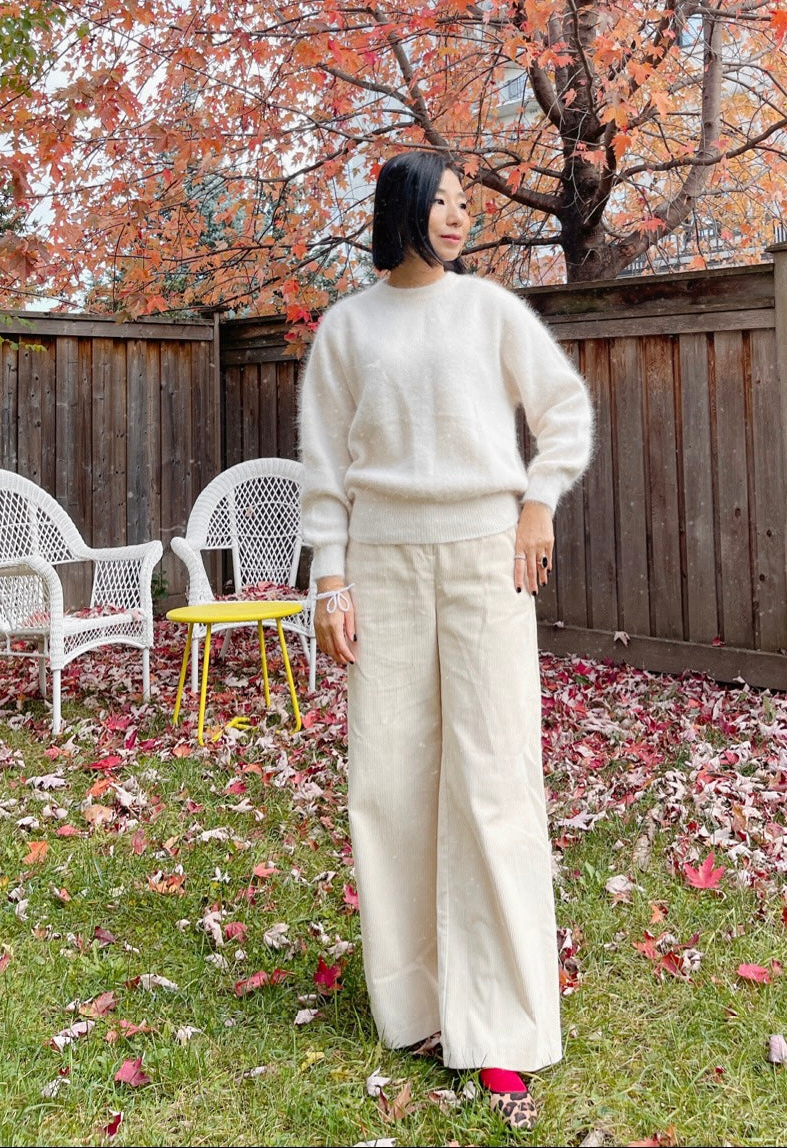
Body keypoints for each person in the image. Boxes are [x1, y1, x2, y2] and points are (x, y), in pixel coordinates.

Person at [297, 150, 593, 1128]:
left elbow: (564, 414)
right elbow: (322, 468)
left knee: (493, 778)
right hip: (381, 565)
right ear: (403, 210)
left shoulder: (492, 313)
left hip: (483, 561)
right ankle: (418, 1006)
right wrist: (329, 579)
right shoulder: (346, 328)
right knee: (389, 780)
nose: (461, 217)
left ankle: (502, 1024)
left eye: (469, 205)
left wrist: (538, 506)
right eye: (446, 203)